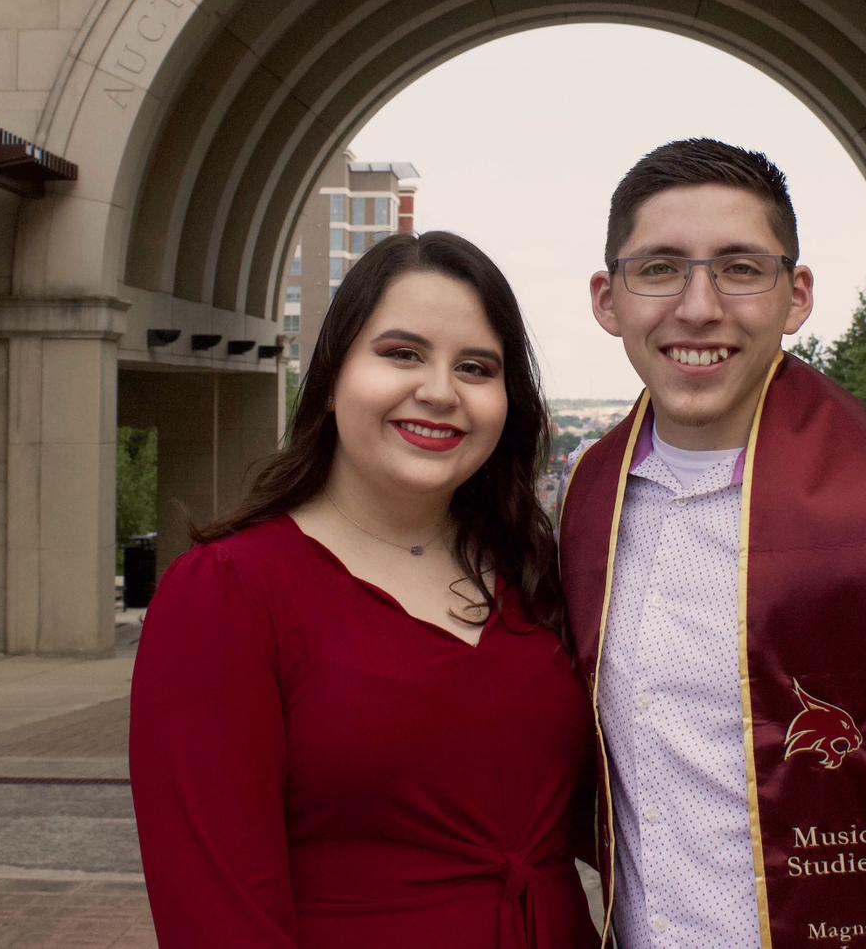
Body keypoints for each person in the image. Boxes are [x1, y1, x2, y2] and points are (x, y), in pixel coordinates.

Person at [560, 139, 866, 947]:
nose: (697, 306)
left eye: (740, 268)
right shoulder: (589, 495)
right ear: (608, 299)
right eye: (658, 268)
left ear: (796, 296)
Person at [131, 231, 601, 949]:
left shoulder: (539, 576)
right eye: (402, 354)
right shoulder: (228, 594)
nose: (440, 392)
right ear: (331, 375)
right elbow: (215, 910)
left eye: (476, 367)